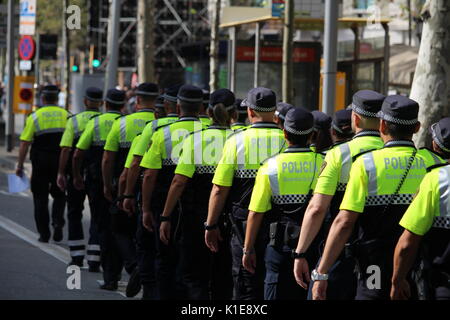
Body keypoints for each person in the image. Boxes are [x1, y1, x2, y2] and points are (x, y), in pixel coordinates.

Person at [311, 95, 445, 300]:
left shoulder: (366, 164)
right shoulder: (433, 163)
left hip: (374, 267)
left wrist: (322, 271)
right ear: (417, 127)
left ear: (382, 125)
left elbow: (345, 221)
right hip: (417, 266)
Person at [293, 90, 385, 300]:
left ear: (356, 118)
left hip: (339, 254)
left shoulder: (339, 154)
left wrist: (300, 253)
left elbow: (317, 208)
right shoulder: (393, 155)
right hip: (376, 259)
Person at [206, 87, 287, 300]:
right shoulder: (286, 140)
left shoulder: (236, 141)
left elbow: (219, 189)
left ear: (250, 112)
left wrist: (210, 224)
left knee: (245, 285)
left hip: (243, 227)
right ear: (275, 111)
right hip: (282, 228)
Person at [160, 88, 236, 300]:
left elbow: (179, 181)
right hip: (231, 221)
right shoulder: (239, 140)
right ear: (235, 115)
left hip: (195, 218)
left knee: (194, 276)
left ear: (208, 112)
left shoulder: (195, 140)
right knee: (224, 277)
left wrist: (166, 216)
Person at [243, 107, 323, 300]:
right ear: (313, 135)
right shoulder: (324, 163)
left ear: (284, 133)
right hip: (314, 246)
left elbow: (255, 213)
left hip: (278, 247)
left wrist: (247, 249)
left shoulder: (269, 167)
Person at [140, 84, 205, 299]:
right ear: (202, 107)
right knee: (193, 264)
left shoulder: (162, 134)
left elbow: (149, 176)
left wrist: (146, 209)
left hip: (166, 206)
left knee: (165, 259)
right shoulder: (209, 133)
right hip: (201, 208)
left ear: (177, 108)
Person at [121, 85, 180, 299]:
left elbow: (137, 164)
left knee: (147, 242)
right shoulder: (201, 127)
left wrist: (129, 195)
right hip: (185, 201)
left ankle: (148, 284)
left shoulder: (154, 128)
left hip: (155, 196)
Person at [102, 82, 158, 290]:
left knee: (118, 229)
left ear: (138, 100)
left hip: (126, 185)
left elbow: (108, 158)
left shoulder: (123, 123)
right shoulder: (161, 124)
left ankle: (117, 276)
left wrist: (109, 186)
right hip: (154, 187)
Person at [391, 117, 450, 301]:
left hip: (444, 284)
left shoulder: (436, 179)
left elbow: (408, 242)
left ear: (435, 145)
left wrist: (397, 280)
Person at [72, 88, 124, 290]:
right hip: (126, 184)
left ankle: (105, 268)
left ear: (106, 104)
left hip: (98, 182)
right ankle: (125, 264)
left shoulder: (96, 123)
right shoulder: (127, 123)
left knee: (101, 223)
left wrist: (76, 175)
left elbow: (77, 154)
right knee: (122, 227)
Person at [57, 87, 103, 269]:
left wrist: (61, 172)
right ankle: (94, 258)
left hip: (76, 173)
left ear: (85, 101)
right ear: (100, 103)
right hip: (97, 175)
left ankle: (76, 256)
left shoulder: (74, 121)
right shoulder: (105, 121)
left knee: (74, 213)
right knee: (97, 216)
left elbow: (66, 149)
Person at [16, 85, 68, 243]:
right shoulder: (67, 115)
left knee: (40, 198)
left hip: (40, 162)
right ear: (57, 98)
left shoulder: (35, 117)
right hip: (60, 162)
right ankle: (58, 221)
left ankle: (44, 234)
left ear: (43, 98)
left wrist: (19, 165)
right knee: (59, 195)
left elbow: (25, 143)